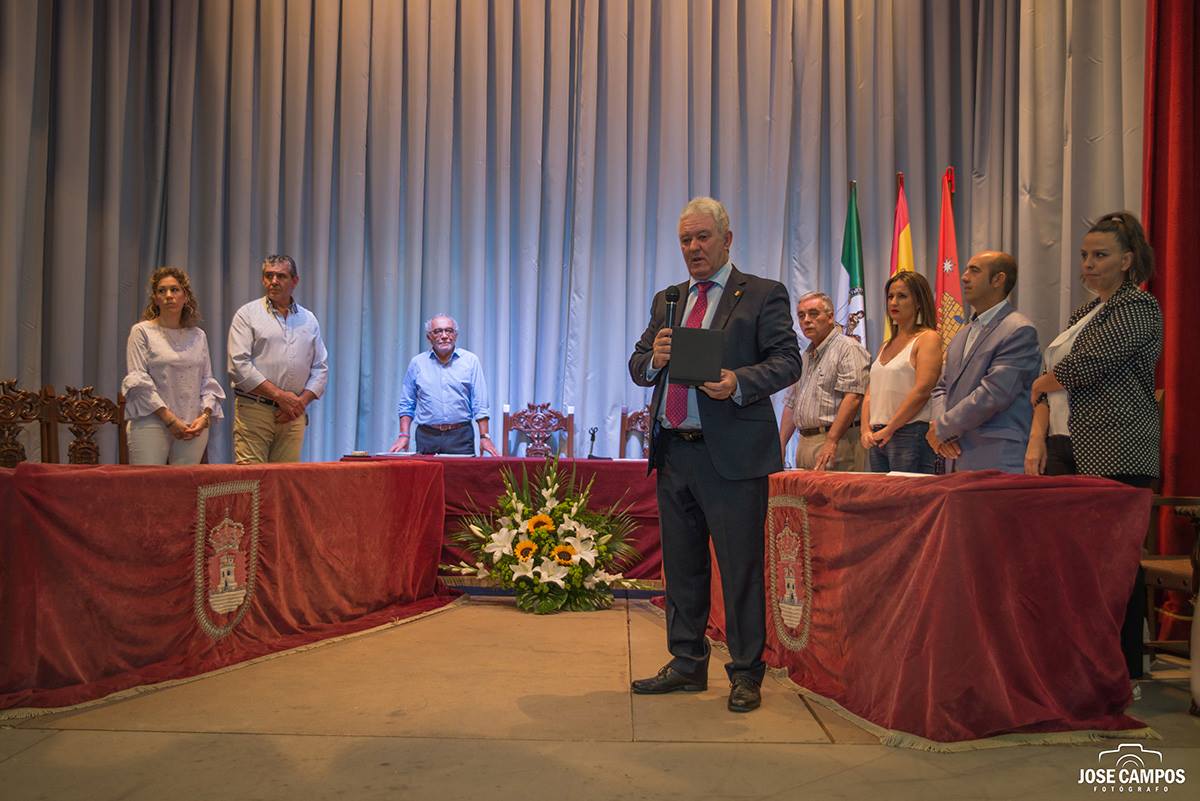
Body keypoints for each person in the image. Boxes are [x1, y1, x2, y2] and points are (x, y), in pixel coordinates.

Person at [628, 196, 802, 713]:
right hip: (674, 454)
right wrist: (653, 360)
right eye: (686, 240)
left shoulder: (763, 295)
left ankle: (747, 671)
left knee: (740, 568)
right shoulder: (669, 299)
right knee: (682, 569)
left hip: (733, 458)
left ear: (727, 239)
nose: (693, 248)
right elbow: (637, 364)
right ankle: (686, 662)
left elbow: (788, 361)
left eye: (703, 237)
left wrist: (739, 382)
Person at [1023, 211, 1162, 679]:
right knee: (1068, 560)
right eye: (1084, 255)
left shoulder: (1139, 308)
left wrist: (1042, 383)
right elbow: (1051, 384)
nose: (1088, 264)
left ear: (1127, 261)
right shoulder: (1084, 312)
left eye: (1100, 256)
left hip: (1117, 450)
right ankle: (1078, 662)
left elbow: (1085, 367)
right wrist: (1037, 438)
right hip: (1066, 445)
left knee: (1115, 563)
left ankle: (1124, 669)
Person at [927, 251, 1040, 473]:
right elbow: (941, 387)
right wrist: (941, 431)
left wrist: (943, 427)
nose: (964, 277)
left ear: (998, 279)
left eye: (974, 271)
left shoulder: (1018, 329)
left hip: (995, 457)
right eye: (966, 269)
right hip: (954, 456)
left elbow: (995, 393)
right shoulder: (961, 334)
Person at [227, 254, 328, 464]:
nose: (273, 281)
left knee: (285, 484)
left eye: (280, 276)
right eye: (268, 276)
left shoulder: (308, 319)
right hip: (255, 410)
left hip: (293, 415)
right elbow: (239, 365)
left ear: (294, 281)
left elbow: (320, 368)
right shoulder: (247, 315)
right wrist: (281, 397)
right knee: (252, 482)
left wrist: (300, 403)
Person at [121, 267, 225, 465]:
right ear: (155, 298)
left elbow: (207, 381)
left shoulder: (198, 335)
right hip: (151, 421)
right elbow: (139, 382)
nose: (169, 296)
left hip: (192, 425)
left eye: (175, 290)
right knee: (148, 488)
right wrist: (169, 419)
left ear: (185, 296)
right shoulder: (141, 332)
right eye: (162, 291)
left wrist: (205, 416)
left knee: (184, 489)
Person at [777, 292, 869, 470]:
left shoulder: (848, 348)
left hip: (837, 441)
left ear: (830, 317)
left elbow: (853, 397)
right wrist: (780, 445)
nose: (806, 320)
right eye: (801, 315)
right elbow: (791, 403)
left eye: (813, 313)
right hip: (804, 442)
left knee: (838, 499)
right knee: (803, 499)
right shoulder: (804, 356)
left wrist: (831, 441)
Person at [861, 272, 942, 473]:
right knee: (881, 501)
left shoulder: (927, 338)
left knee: (907, 502)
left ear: (918, 302)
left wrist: (891, 427)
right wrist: (865, 429)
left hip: (910, 433)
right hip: (878, 435)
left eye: (902, 296)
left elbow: (922, 390)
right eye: (890, 297)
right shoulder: (884, 346)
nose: (894, 302)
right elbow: (870, 394)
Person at [388, 315, 499, 456]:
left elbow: (480, 403)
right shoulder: (417, 363)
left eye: (449, 331)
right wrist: (404, 435)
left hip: (461, 436)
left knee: (462, 477)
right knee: (427, 478)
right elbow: (406, 403)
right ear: (429, 337)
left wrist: (485, 437)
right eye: (438, 331)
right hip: (426, 436)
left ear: (455, 335)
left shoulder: (471, 361)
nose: (444, 336)